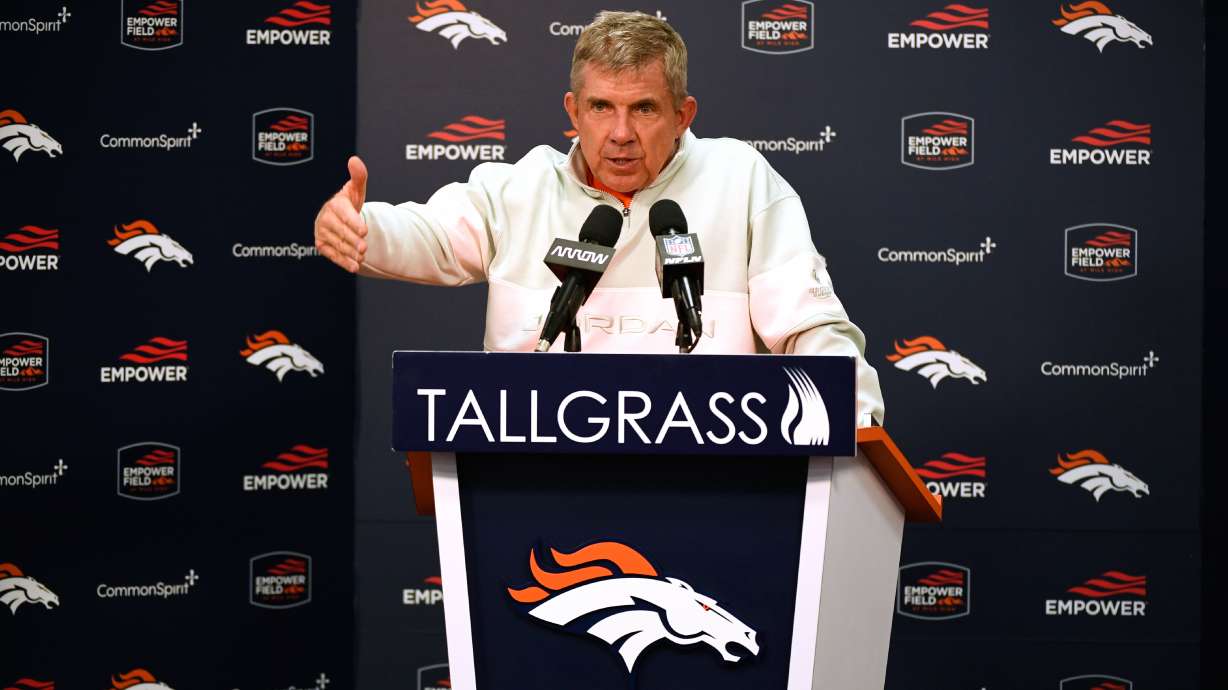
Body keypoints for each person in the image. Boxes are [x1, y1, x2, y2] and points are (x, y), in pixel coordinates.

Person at [314, 11, 885, 424]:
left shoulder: (741, 180)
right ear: (573, 111)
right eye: (601, 108)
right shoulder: (520, 188)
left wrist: (856, 429)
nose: (620, 134)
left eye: (644, 109)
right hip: (536, 480)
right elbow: (430, 236)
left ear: (683, 114)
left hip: (719, 482)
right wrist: (360, 229)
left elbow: (816, 334)